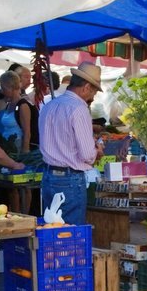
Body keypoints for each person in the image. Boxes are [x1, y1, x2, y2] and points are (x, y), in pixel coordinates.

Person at [38, 62, 102, 225]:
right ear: (86, 87)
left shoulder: (49, 106)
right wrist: (97, 150)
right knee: (71, 232)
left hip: (48, 175)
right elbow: (87, 155)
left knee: (52, 226)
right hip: (70, 178)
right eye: (93, 91)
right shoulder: (79, 108)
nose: (92, 97)